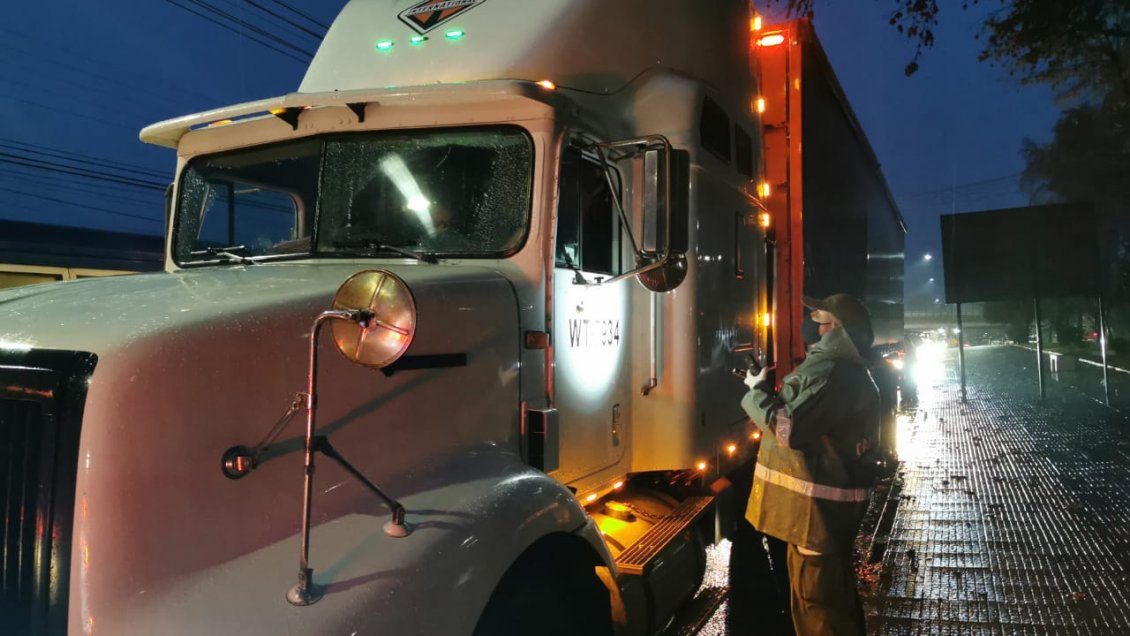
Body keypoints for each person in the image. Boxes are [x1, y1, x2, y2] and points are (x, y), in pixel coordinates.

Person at [741, 293, 881, 635]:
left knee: (819, 612)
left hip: (815, 519)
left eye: (818, 318)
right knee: (829, 606)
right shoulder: (843, 372)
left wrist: (755, 394)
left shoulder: (831, 371)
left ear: (835, 329)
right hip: (817, 519)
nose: (812, 325)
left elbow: (790, 429)